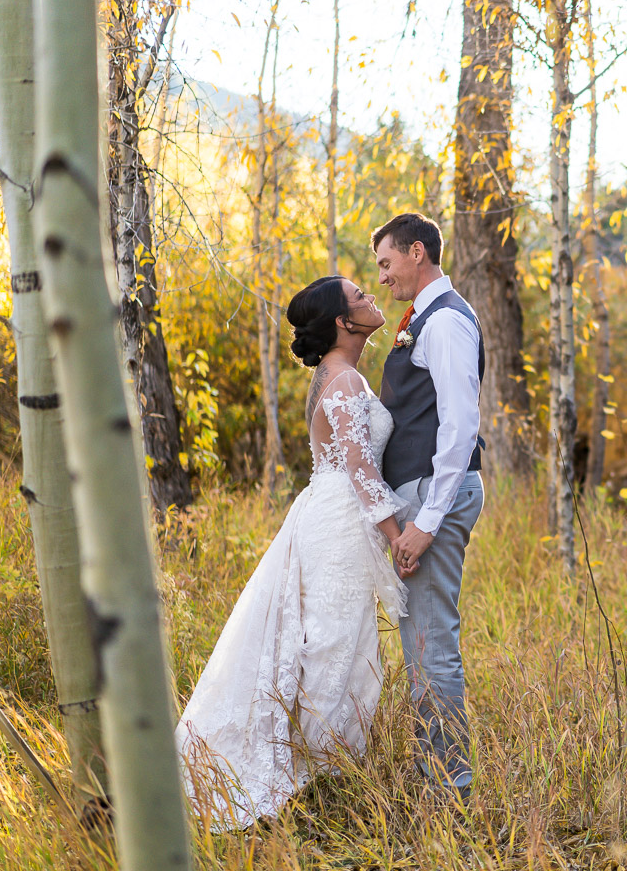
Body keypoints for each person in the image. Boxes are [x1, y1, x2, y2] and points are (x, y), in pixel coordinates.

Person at [175, 275, 406, 830]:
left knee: (330, 642)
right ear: (343, 323)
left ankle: (315, 770)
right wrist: (401, 538)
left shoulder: (336, 374)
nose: (373, 298)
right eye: (361, 298)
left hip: (328, 513)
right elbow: (361, 471)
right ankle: (309, 777)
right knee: (334, 646)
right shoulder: (344, 381)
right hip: (340, 522)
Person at [372, 213, 486, 802]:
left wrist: (426, 521)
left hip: (433, 495)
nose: (383, 276)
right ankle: (438, 774)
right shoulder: (425, 318)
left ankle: (450, 786)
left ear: (418, 252)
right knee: (420, 638)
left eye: (387, 263)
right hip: (419, 492)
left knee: (430, 642)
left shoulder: (444, 324)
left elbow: (460, 427)